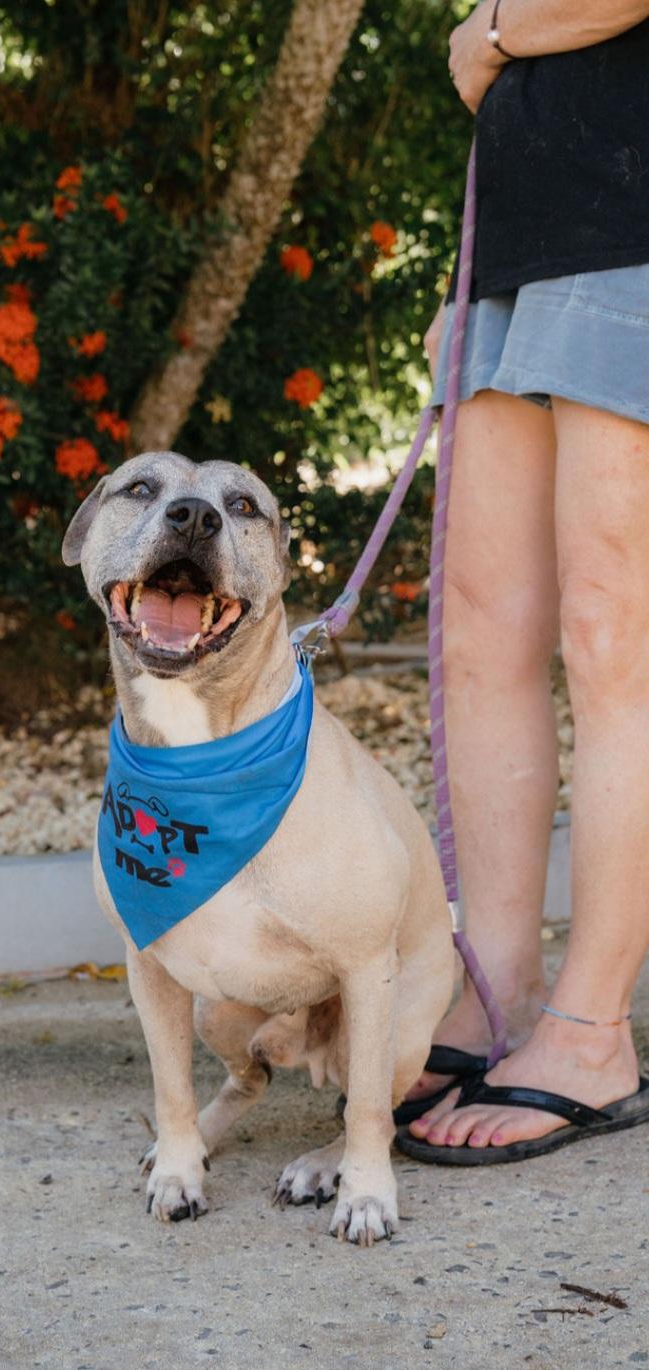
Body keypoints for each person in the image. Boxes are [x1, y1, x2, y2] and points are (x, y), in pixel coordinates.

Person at [396, 0, 649, 1162]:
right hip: (525, 228)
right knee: (480, 627)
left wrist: (492, 30)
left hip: (636, 217)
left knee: (614, 637)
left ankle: (593, 1031)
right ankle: (494, 993)